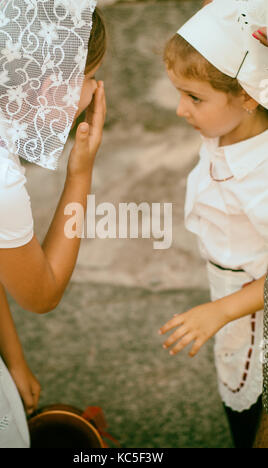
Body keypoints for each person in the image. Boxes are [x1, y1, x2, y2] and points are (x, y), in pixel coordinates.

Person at [0, 0, 106, 448]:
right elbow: (42, 294)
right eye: (88, 77)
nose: (93, 90)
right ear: (53, 84)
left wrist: (14, 357)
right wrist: (81, 173)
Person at [158, 0, 268, 448]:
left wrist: (221, 311)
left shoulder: (262, 177)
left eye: (195, 97)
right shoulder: (225, 132)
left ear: (247, 95)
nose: (181, 110)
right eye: (179, 93)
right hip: (229, 298)